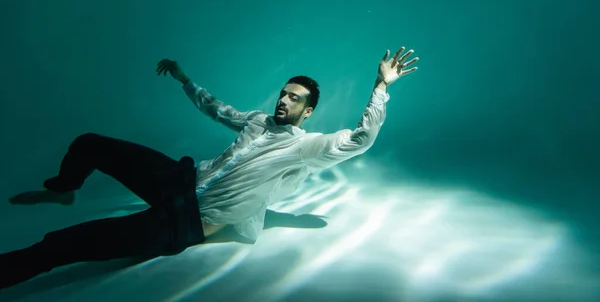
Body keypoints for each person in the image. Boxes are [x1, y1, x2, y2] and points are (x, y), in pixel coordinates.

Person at [0, 47, 418, 290]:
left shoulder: (305, 147)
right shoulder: (257, 120)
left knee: (65, 244)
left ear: (308, 112)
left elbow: (360, 140)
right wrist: (184, 79)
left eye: (295, 100)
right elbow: (216, 109)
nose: (284, 101)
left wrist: (380, 87)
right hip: (179, 179)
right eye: (284, 94)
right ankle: (64, 189)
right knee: (89, 143)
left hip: (187, 220)